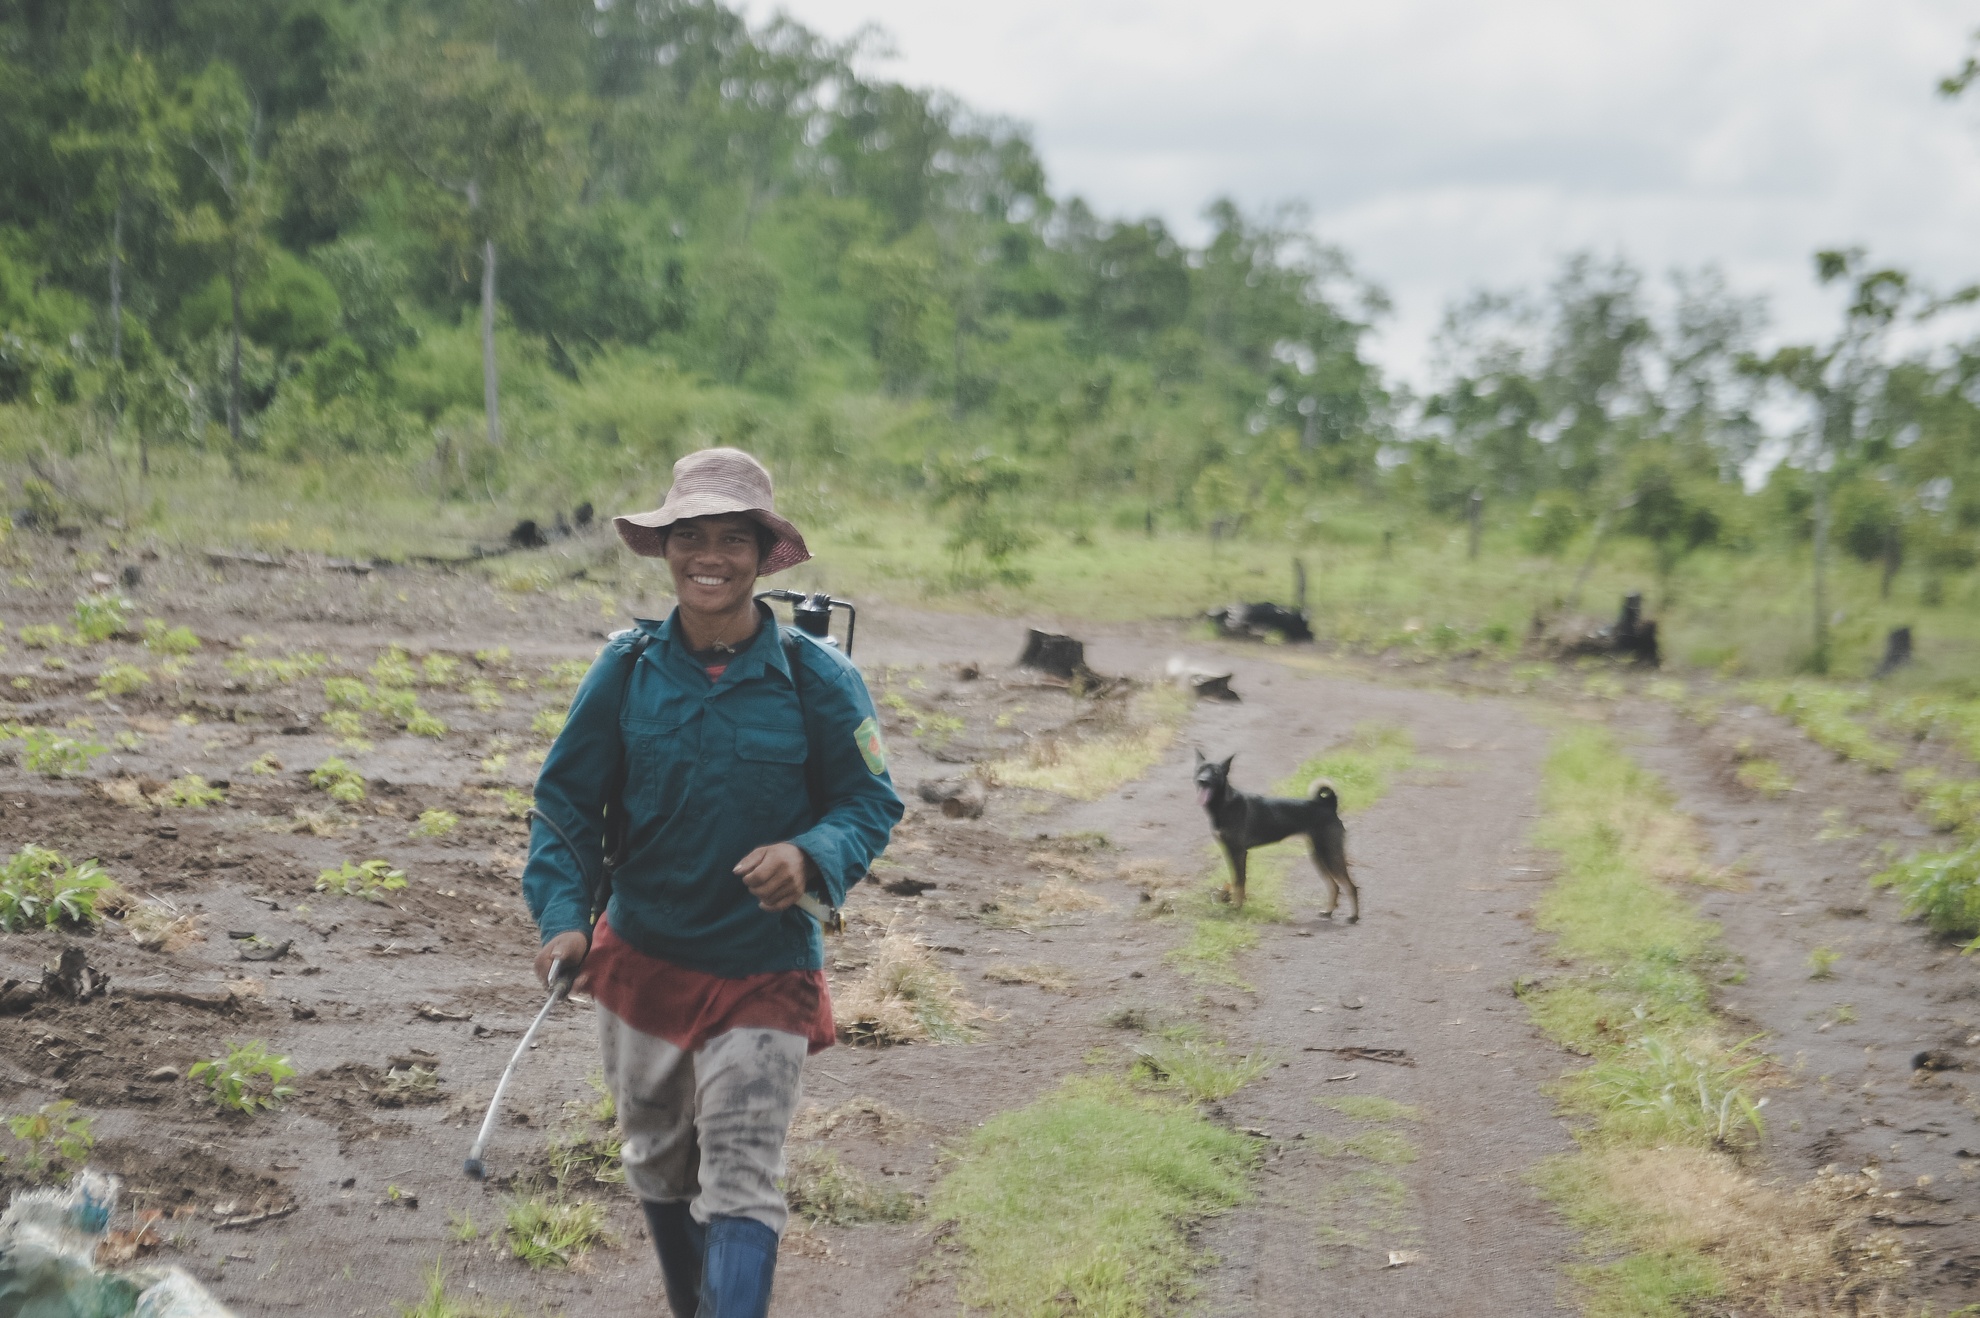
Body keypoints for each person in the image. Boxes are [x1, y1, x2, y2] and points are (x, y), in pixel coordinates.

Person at [523, 447, 902, 1318]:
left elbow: (870, 801)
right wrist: (563, 918)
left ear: (763, 557)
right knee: (657, 1162)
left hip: (764, 969)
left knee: (741, 1176)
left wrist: (809, 854)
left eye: (733, 539)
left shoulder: (819, 678)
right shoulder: (626, 669)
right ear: (665, 549)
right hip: (643, 960)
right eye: (690, 536)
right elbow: (566, 805)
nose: (710, 557)